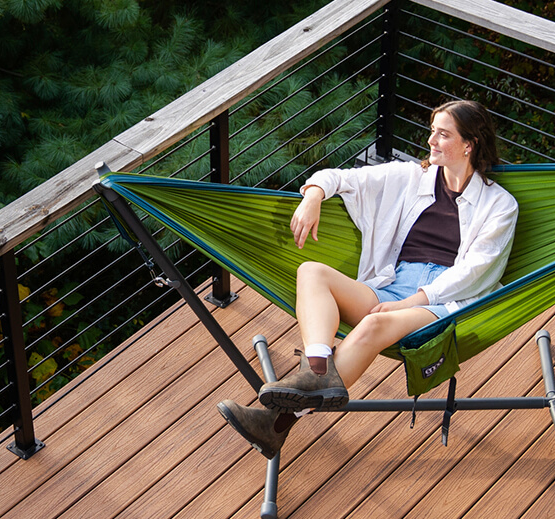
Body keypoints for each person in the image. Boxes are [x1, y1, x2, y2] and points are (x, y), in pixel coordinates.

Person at [217, 100, 519, 459]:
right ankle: (318, 367)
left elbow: (475, 273)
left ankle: (275, 423)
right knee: (311, 271)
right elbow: (341, 177)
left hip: (445, 302)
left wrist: (410, 302)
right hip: (393, 281)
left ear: (469, 144)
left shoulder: (500, 205)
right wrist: (313, 195)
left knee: (375, 324)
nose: (430, 141)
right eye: (432, 130)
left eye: (443, 134)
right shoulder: (410, 178)